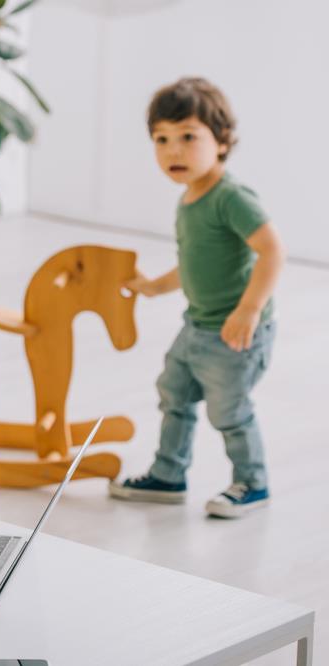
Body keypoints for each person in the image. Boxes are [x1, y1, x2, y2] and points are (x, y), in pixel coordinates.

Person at [109, 77, 285, 519]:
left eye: (188, 137)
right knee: (174, 393)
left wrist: (249, 309)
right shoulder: (189, 198)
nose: (173, 151)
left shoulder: (231, 197)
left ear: (222, 141)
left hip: (235, 334)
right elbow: (192, 265)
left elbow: (272, 251)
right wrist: (154, 287)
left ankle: (253, 482)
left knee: (229, 411)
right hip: (197, 326)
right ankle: (169, 475)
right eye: (161, 139)